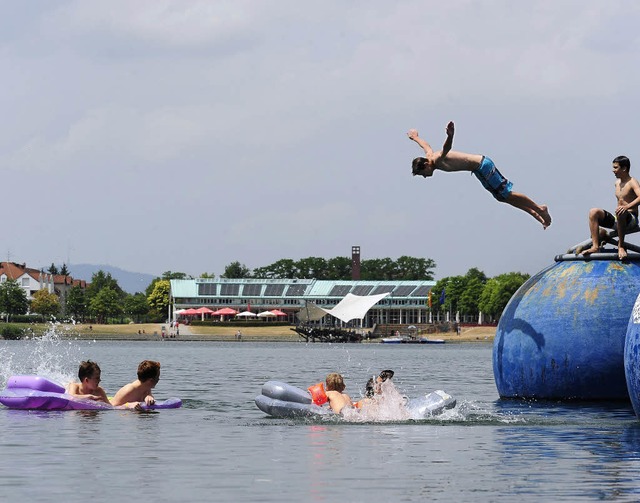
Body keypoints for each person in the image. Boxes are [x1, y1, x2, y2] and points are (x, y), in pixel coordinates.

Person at [408, 122, 552, 229]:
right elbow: (425, 145)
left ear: (426, 165)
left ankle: (540, 209)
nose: (425, 177)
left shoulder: (437, 159)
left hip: (483, 166)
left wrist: (450, 135)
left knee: (506, 194)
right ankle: (536, 214)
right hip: (478, 170)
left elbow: (447, 148)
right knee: (501, 197)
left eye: (423, 174)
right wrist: (415, 137)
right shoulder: (429, 155)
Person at [580, 156, 640, 260]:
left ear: (624, 168)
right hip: (618, 218)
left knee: (620, 212)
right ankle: (595, 246)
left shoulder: (632, 182)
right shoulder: (617, 183)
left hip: (631, 219)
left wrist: (627, 207)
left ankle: (620, 246)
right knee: (593, 211)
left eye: (616, 168)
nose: (613, 170)